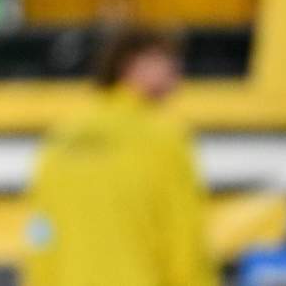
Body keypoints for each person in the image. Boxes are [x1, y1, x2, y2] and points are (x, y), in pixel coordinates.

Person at [23, 29, 217, 286]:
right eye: (166, 60)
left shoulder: (61, 137)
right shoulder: (164, 137)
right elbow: (184, 236)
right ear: (131, 65)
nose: (177, 70)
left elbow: (41, 233)